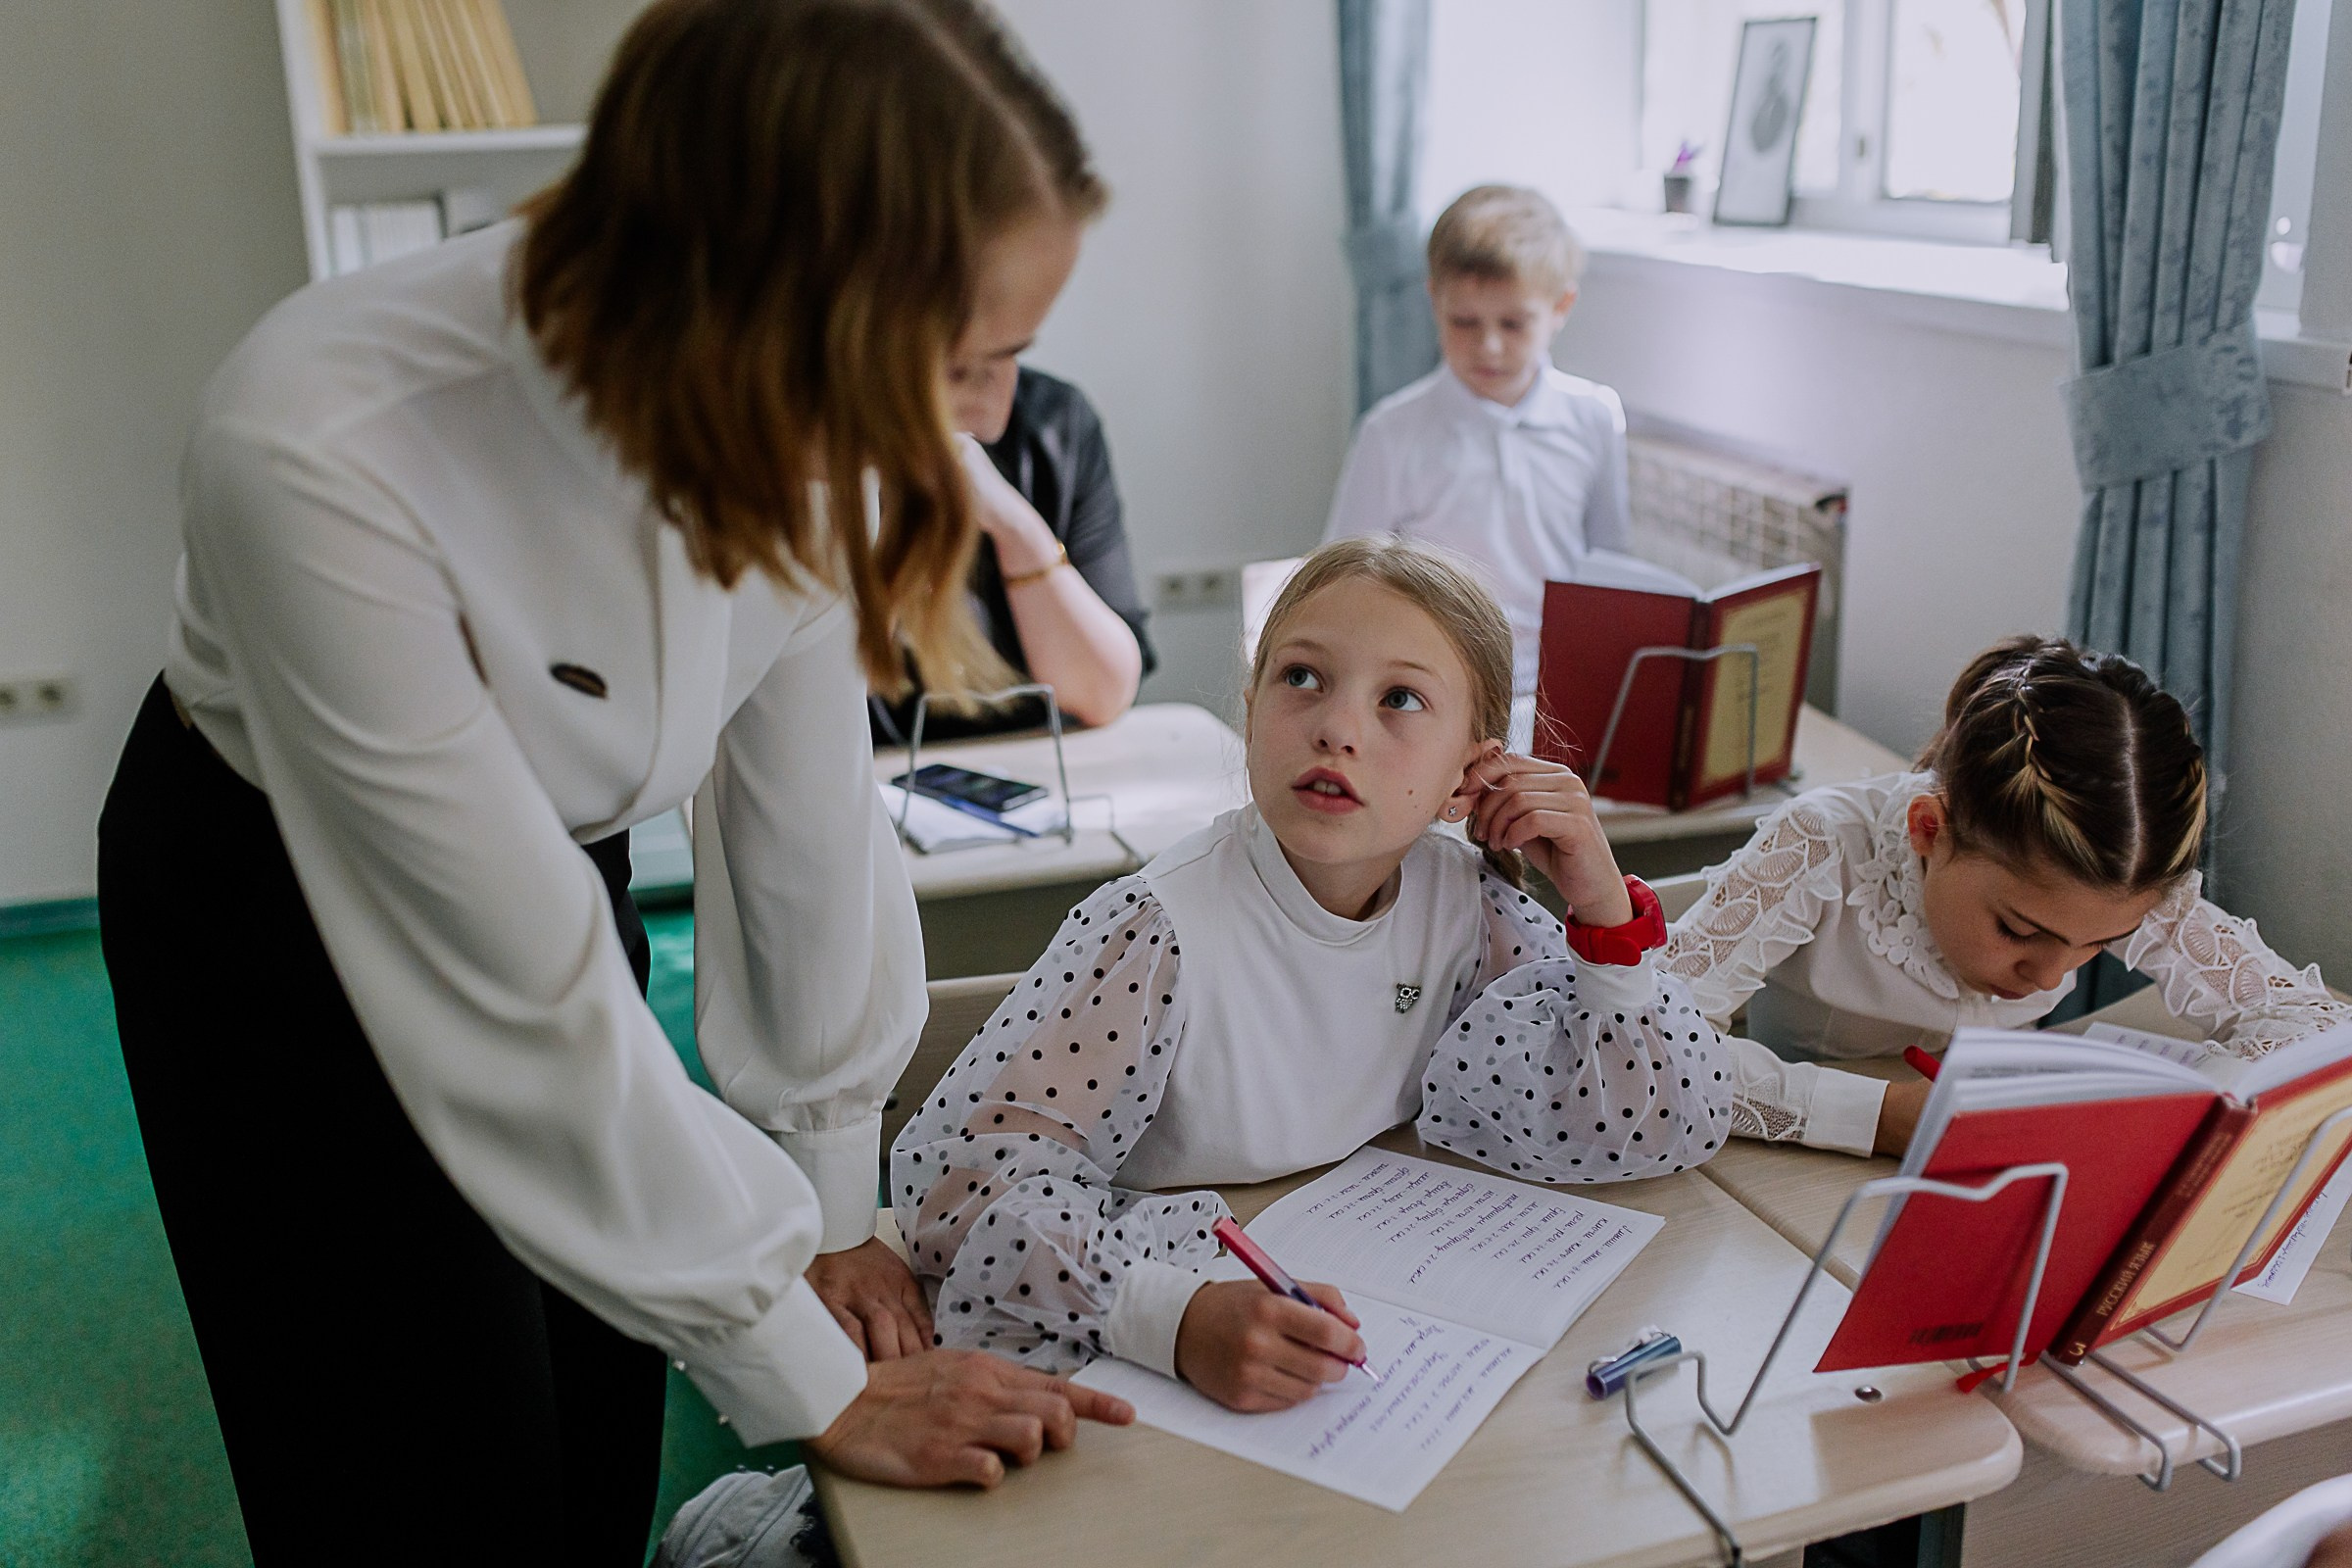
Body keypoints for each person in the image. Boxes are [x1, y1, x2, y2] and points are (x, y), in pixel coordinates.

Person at [93, 3, 1135, 1561]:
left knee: (591, 1406)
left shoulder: (831, 433)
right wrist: (804, 1380)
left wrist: (832, 1199)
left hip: (554, 862)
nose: (981, 425)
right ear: (762, 306)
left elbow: (798, 810)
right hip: (273, 911)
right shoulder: (319, 438)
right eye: (962, 364)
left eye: (1009, 364)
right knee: (420, 1469)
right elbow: (514, 993)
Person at [894, 538, 1732, 1412]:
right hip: (1166, 1323)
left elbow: (1644, 1126)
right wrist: (1173, 1319)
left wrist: (1599, 904)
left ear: (1470, 774)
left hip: (1368, 1294)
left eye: (1400, 699)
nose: (1337, 727)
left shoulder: (1466, 903)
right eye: (1302, 679)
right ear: (1251, 710)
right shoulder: (1156, 930)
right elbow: (963, 1195)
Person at [1660, 635, 2350, 1159]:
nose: (2053, 977)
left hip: (1992, 1173)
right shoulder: (1821, 842)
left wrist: (2192, 1106)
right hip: (1789, 1181)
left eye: (2099, 946)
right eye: (2020, 932)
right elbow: (1654, 1050)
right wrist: (1880, 1116)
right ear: (1929, 829)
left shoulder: (2117, 881)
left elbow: (2315, 1023)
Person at [1323, 184, 1664, 749]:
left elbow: (1609, 565)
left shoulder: (1594, 417)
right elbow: (1347, 576)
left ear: (1560, 308)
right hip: (1431, 694)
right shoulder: (1392, 431)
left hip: (1559, 697)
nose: (1489, 347)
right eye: (1464, 322)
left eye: (1512, 324)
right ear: (1434, 301)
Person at [869, 365, 1154, 743]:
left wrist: (1014, 526)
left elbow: (1103, 694)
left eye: (1009, 352)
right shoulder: (829, 442)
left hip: (1040, 758)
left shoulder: (1057, 420)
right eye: (959, 366)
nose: (988, 380)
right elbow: (827, 697)